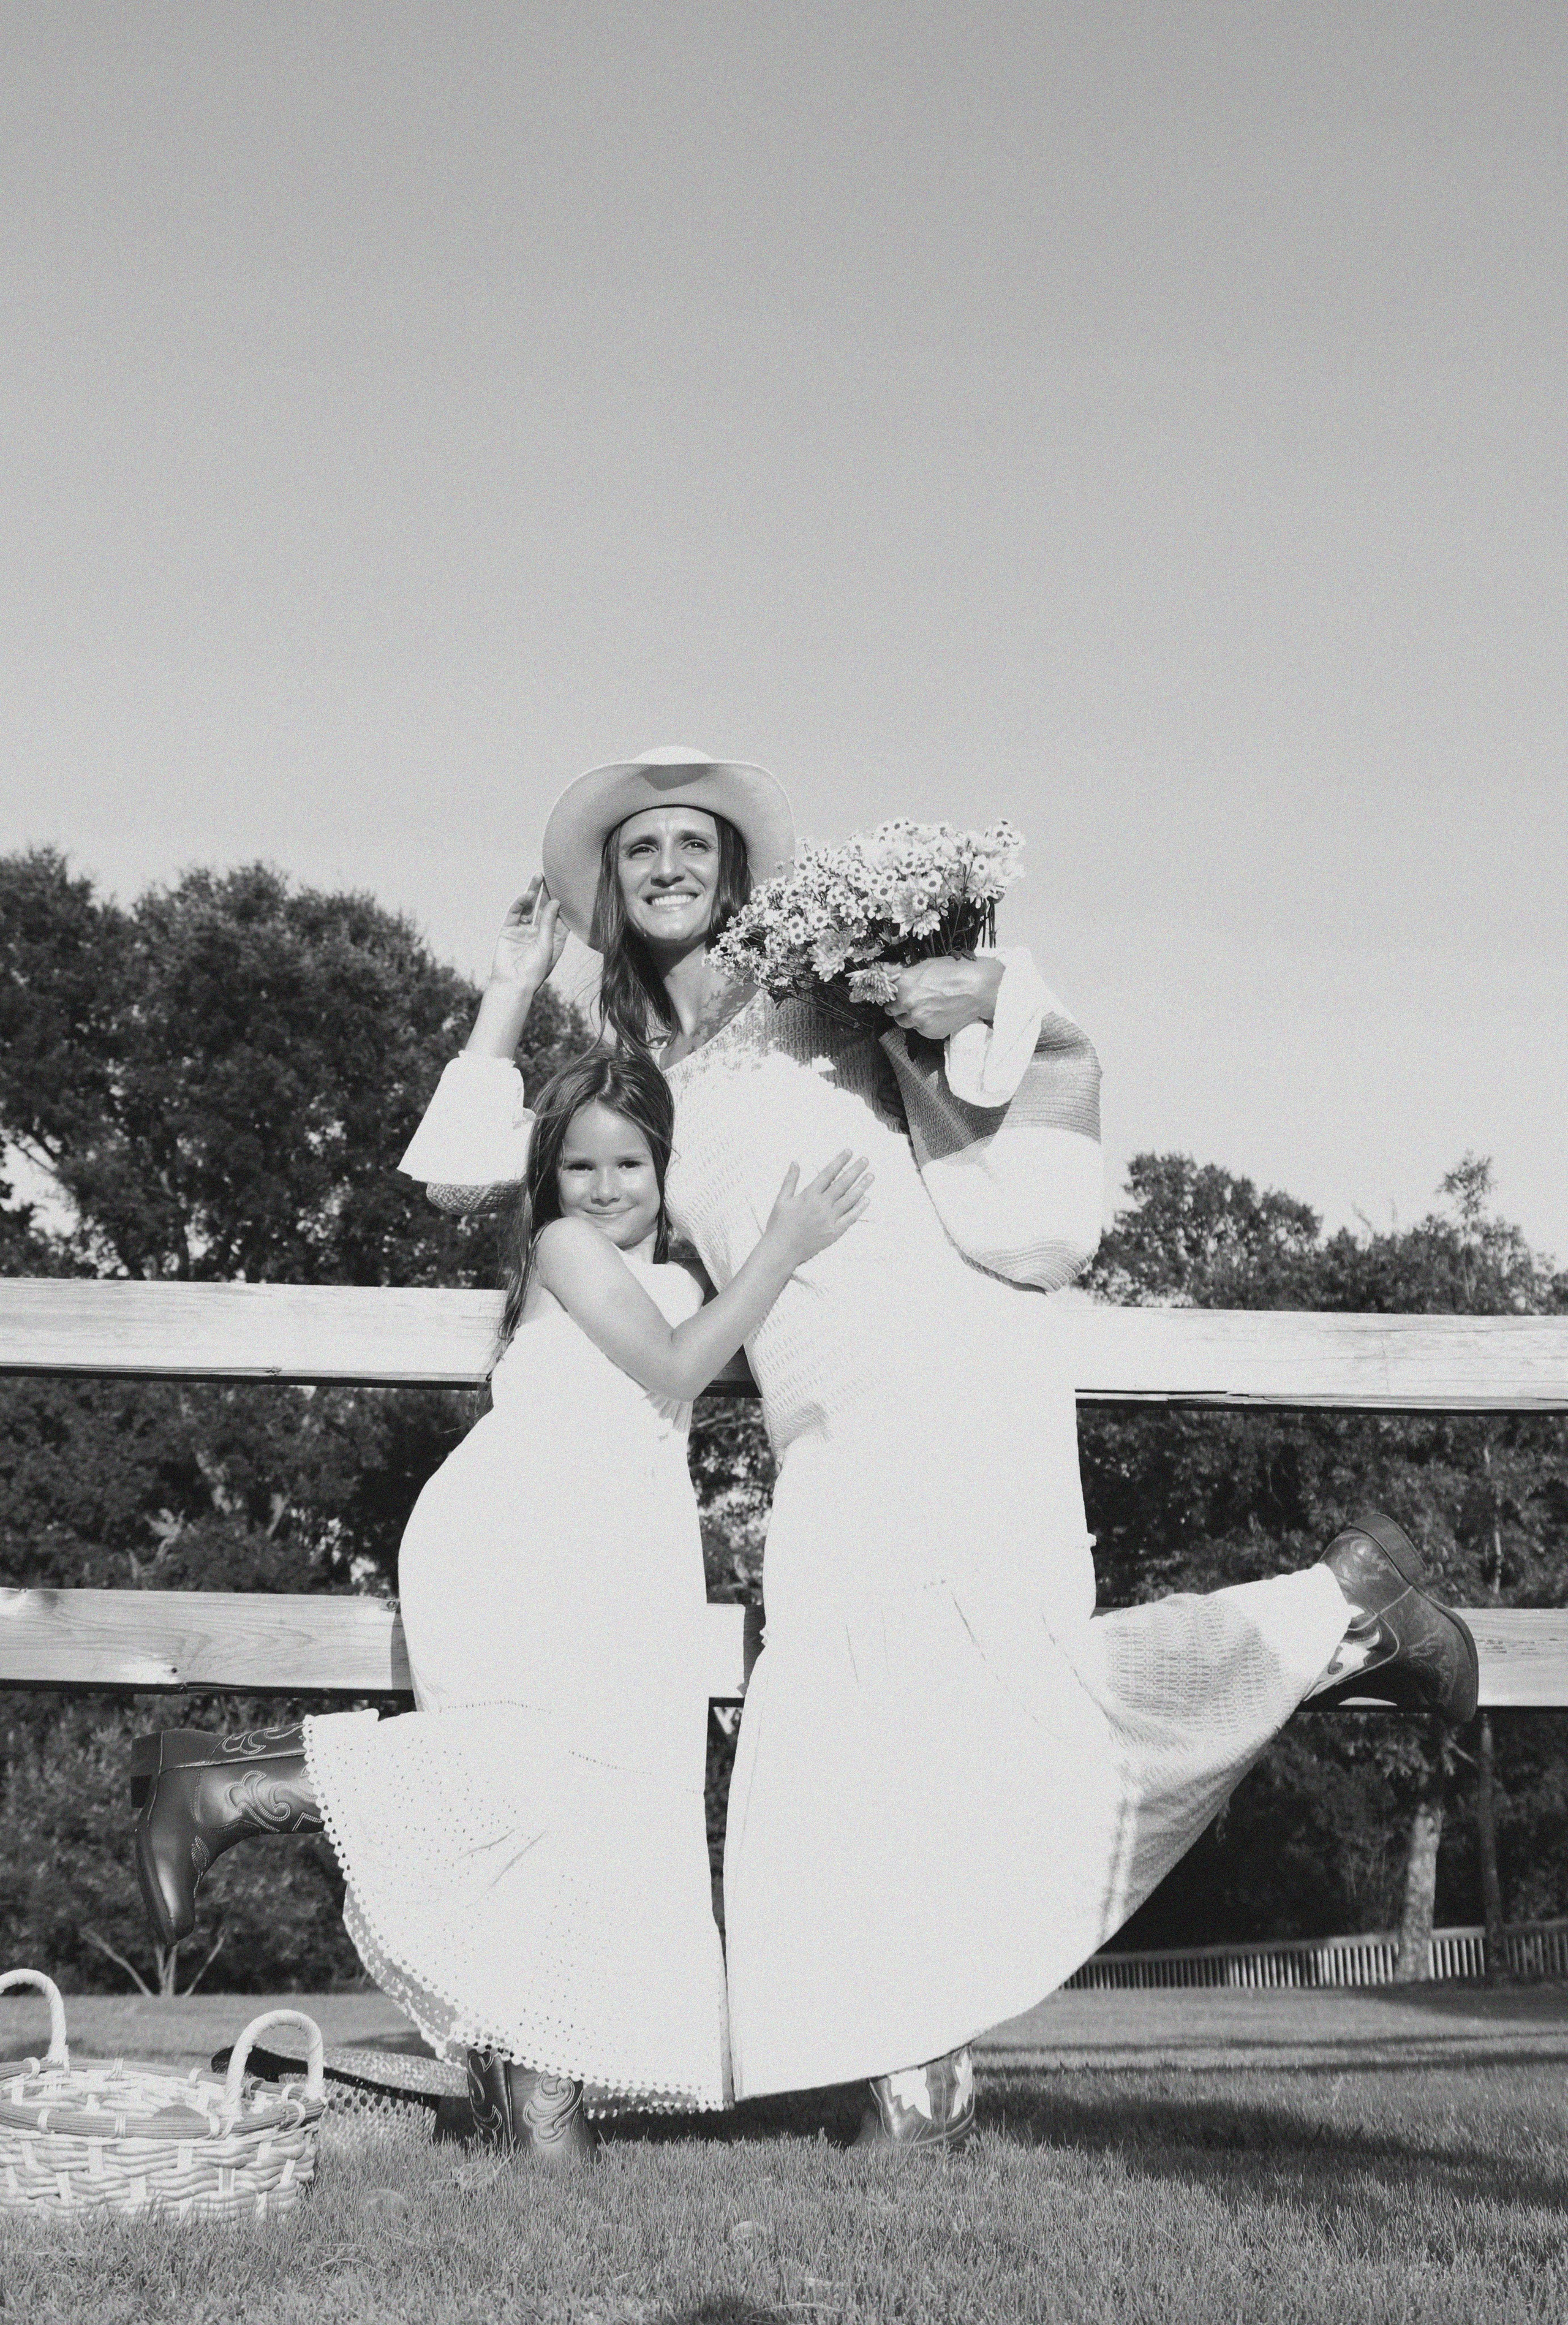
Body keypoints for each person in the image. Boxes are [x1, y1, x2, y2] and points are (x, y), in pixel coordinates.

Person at [407, 744, 1479, 2152]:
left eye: (694, 842)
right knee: (838, 1728)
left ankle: (918, 2079)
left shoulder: (817, 987)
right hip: (816, 1408)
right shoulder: (638, 1085)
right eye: (639, 847)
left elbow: (1015, 1050)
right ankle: (1339, 1611)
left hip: (946, 1350)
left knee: (992, 1704)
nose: (668, 866)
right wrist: (505, 993)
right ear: (609, 885)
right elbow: (467, 1178)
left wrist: (973, 989)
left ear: (735, 872)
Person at [130, 1040, 870, 2164]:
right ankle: (223, 1786)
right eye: (580, 1166)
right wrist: (784, 1244)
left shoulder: (680, 1269)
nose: (606, 1187)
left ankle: (540, 2111)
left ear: (666, 1167)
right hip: (527, 1525)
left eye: (630, 1163)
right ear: (550, 1178)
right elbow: (675, 1366)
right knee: (513, 1776)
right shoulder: (563, 1246)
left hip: (624, 1551)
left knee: (591, 1818)